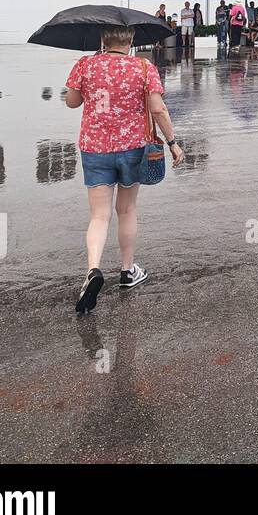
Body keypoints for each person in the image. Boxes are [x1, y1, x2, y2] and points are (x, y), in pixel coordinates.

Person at [65, 25, 184, 313]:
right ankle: (127, 271)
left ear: (102, 40)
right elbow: (158, 109)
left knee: (99, 215)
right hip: (132, 148)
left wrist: (89, 84)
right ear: (130, 40)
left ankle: (93, 270)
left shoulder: (85, 64)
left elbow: (71, 102)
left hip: (94, 148)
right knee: (127, 210)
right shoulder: (143, 67)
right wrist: (173, 143)